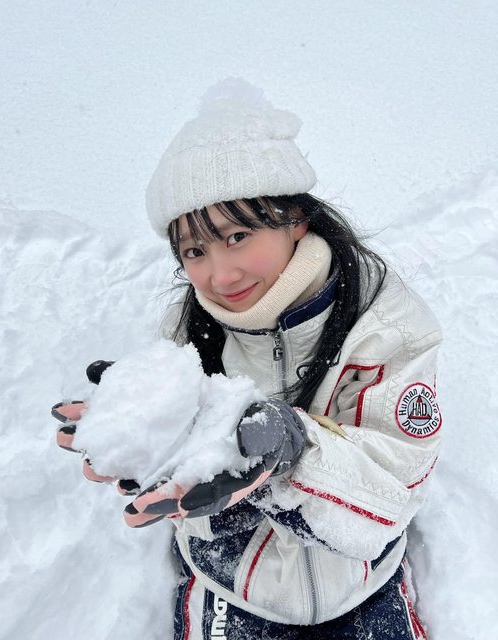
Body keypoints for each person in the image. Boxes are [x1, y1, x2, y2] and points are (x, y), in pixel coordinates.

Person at [53, 80, 442, 639]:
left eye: (237, 236)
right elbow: (179, 483)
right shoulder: (188, 335)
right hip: (232, 585)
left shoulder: (386, 326)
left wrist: (292, 450)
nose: (220, 275)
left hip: (362, 582)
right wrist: (161, 433)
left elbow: (395, 487)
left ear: (295, 217)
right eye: (194, 250)